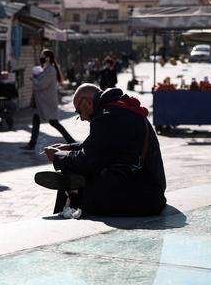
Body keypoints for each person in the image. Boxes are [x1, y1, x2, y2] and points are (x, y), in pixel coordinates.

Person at [34, 84, 167, 218]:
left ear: (87, 102)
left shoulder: (107, 116)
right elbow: (101, 146)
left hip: (145, 197)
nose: (81, 117)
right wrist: (70, 148)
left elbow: (87, 160)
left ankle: (73, 191)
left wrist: (57, 156)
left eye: (79, 111)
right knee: (74, 174)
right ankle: (74, 185)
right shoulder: (118, 108)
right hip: (150, 188)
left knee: (80, 192)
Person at [22, 50, 75, 151]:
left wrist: (33, 79)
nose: (40, 58)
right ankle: (32, 144)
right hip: (42, 103)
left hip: (47, 103)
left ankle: (71, 141)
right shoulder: (47, 69)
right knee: (37, 120)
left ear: (47, 58)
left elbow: (42, 85)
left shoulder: (50, 70)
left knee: (54, 123)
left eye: (42, 56)